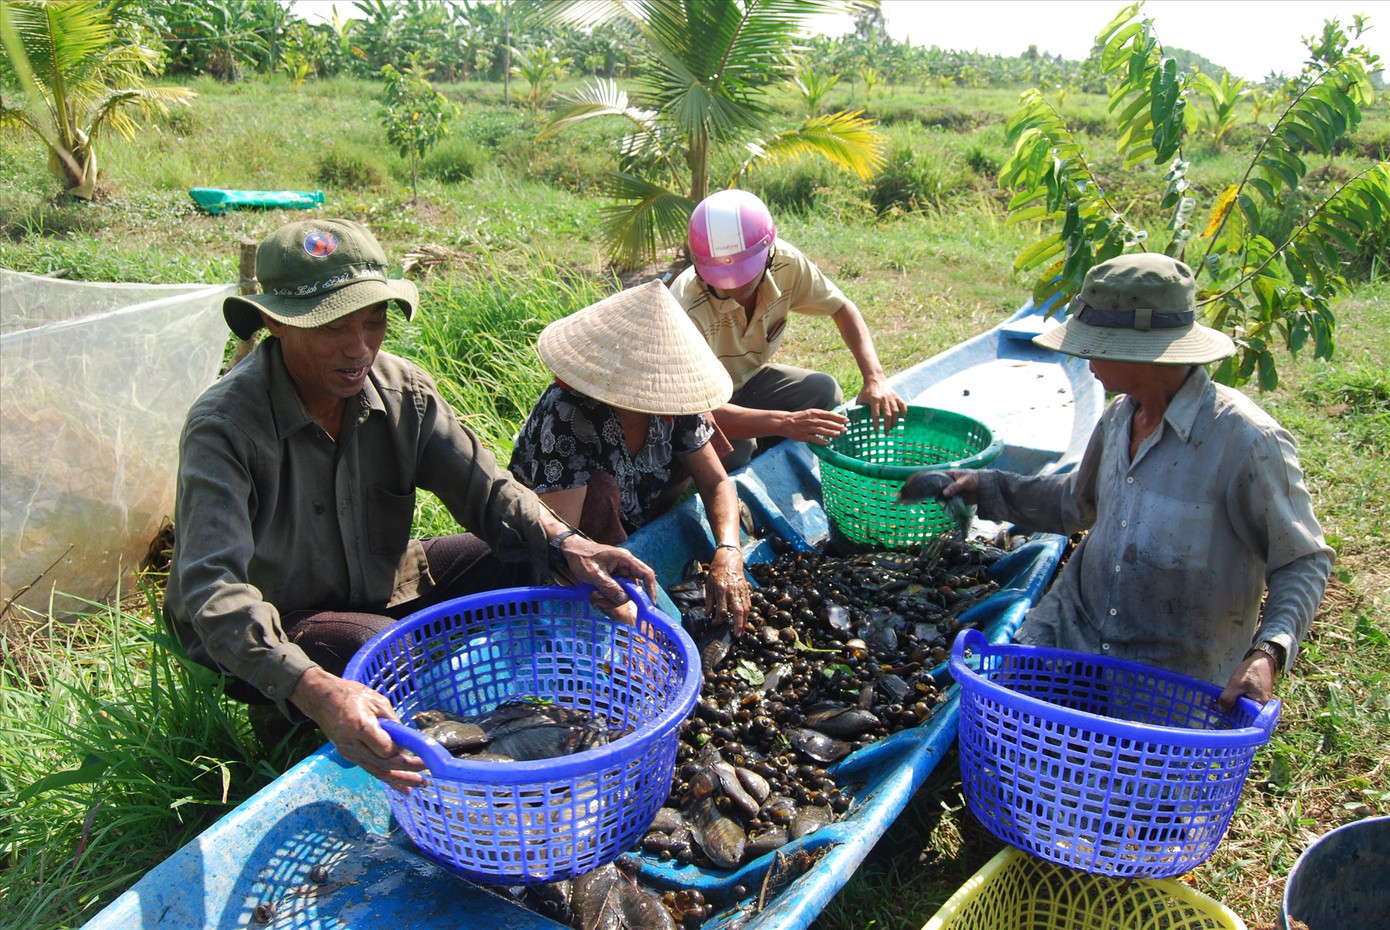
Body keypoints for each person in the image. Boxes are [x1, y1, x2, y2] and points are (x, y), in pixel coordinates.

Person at [164, 218, 657, 791]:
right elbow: (212, 593)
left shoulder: (403, 392)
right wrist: (315, 687)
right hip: (279, 615)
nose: (360, 348)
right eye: (335, 329)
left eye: (374, 322)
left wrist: (566, 543)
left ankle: (541, 715)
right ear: (277, 323)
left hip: (380, 579)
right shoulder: (223, 426)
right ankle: (294, 713)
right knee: (379, 650)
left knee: (533, 553)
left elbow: (489, 490)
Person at [921, 253, 1333, 710]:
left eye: (1093, 345)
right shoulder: (1120, 415)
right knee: (997, 721)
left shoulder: (1246, 442)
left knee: (1126, 774)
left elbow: (1304, 559)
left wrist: (1268, 652)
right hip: (1076, 630)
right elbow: (1077, 504)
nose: (1083, 357)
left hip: (1173, 670)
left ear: (1140, 353)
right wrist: (987, 487)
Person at [509, 280, 752, 636]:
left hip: (638, 504)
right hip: (562, 530)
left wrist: (729, 550)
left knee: (708, 443)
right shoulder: (568, 412)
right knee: (601, 490)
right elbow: (564, 537)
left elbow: (715, 480)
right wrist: (625, 608)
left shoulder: (676, 398)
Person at [669, 188, 909, 471]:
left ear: (768, 252)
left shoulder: (786, 262)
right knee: (734, 449)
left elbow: (841, 307)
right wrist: (785, 422)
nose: (734, 286)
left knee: (823, 392)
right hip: (697, 407)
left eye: (746, 276)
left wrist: (875, 378)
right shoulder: (684, 306)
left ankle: (774, 463)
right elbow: (693, 412)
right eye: (723, 279)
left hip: (744, 384)